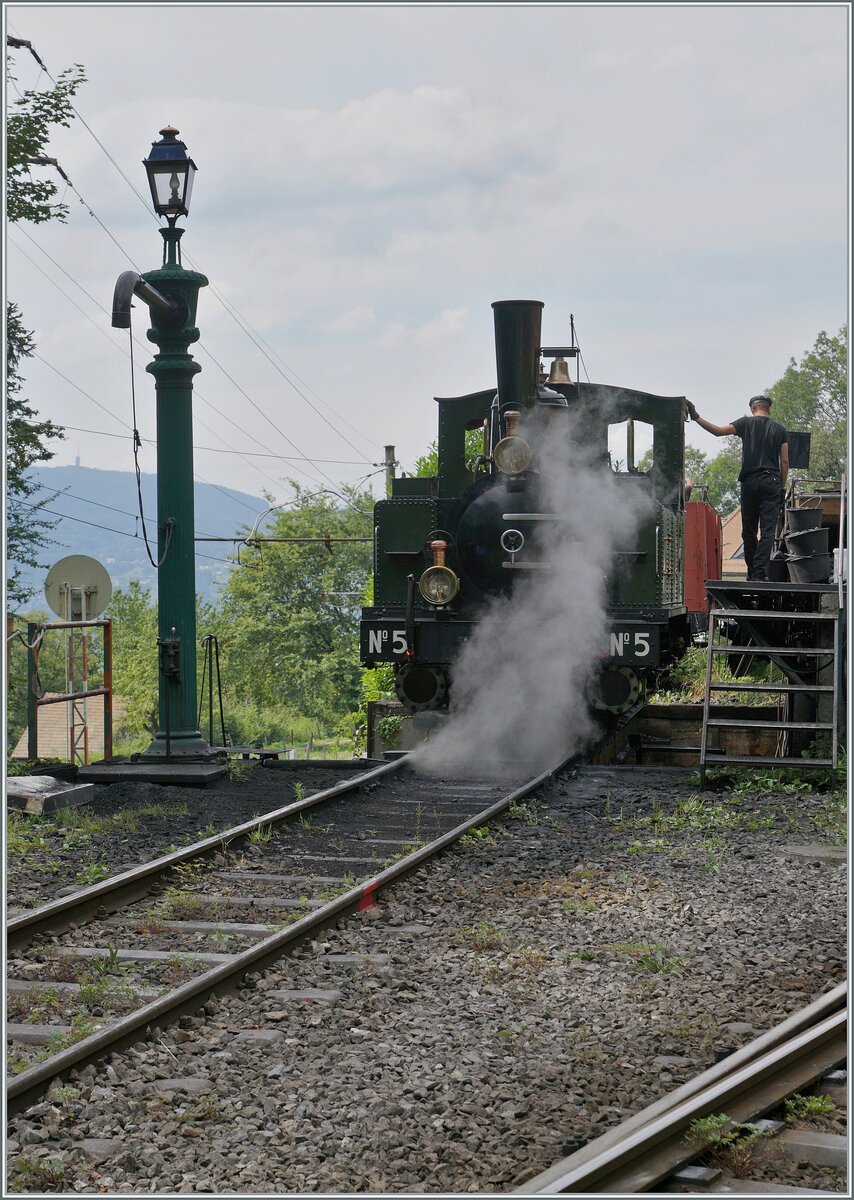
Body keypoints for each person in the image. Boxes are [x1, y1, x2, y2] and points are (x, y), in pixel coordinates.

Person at [687, 395, 788, 582]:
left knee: (748, 530)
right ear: (769, 409)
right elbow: (784, 461)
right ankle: (759, 573)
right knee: (768, 531)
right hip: (771, 481)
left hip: (750, 482)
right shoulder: (780, 430)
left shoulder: (745, 424)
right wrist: (782, 488)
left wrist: (696, 416)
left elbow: (717, 431)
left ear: (752, 409)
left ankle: (753, 573)